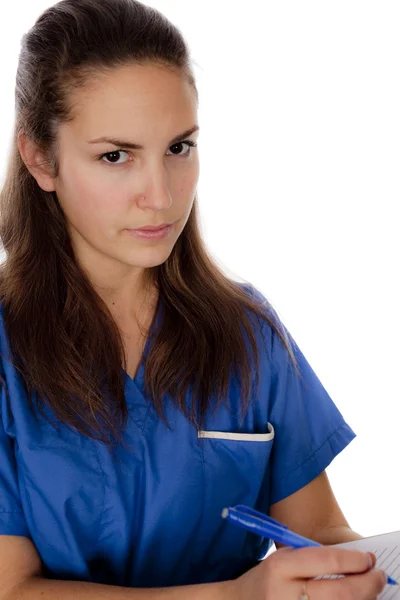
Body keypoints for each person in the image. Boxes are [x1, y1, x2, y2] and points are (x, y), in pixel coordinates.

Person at [0, 0, 387, 598]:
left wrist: (358, 571)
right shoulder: (6, 348)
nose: (160, 196)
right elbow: (12, 587)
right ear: (39, 158)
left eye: (179, 148)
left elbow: (318, 533)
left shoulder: (247, 331)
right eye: (115, 156)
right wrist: (234, 597)